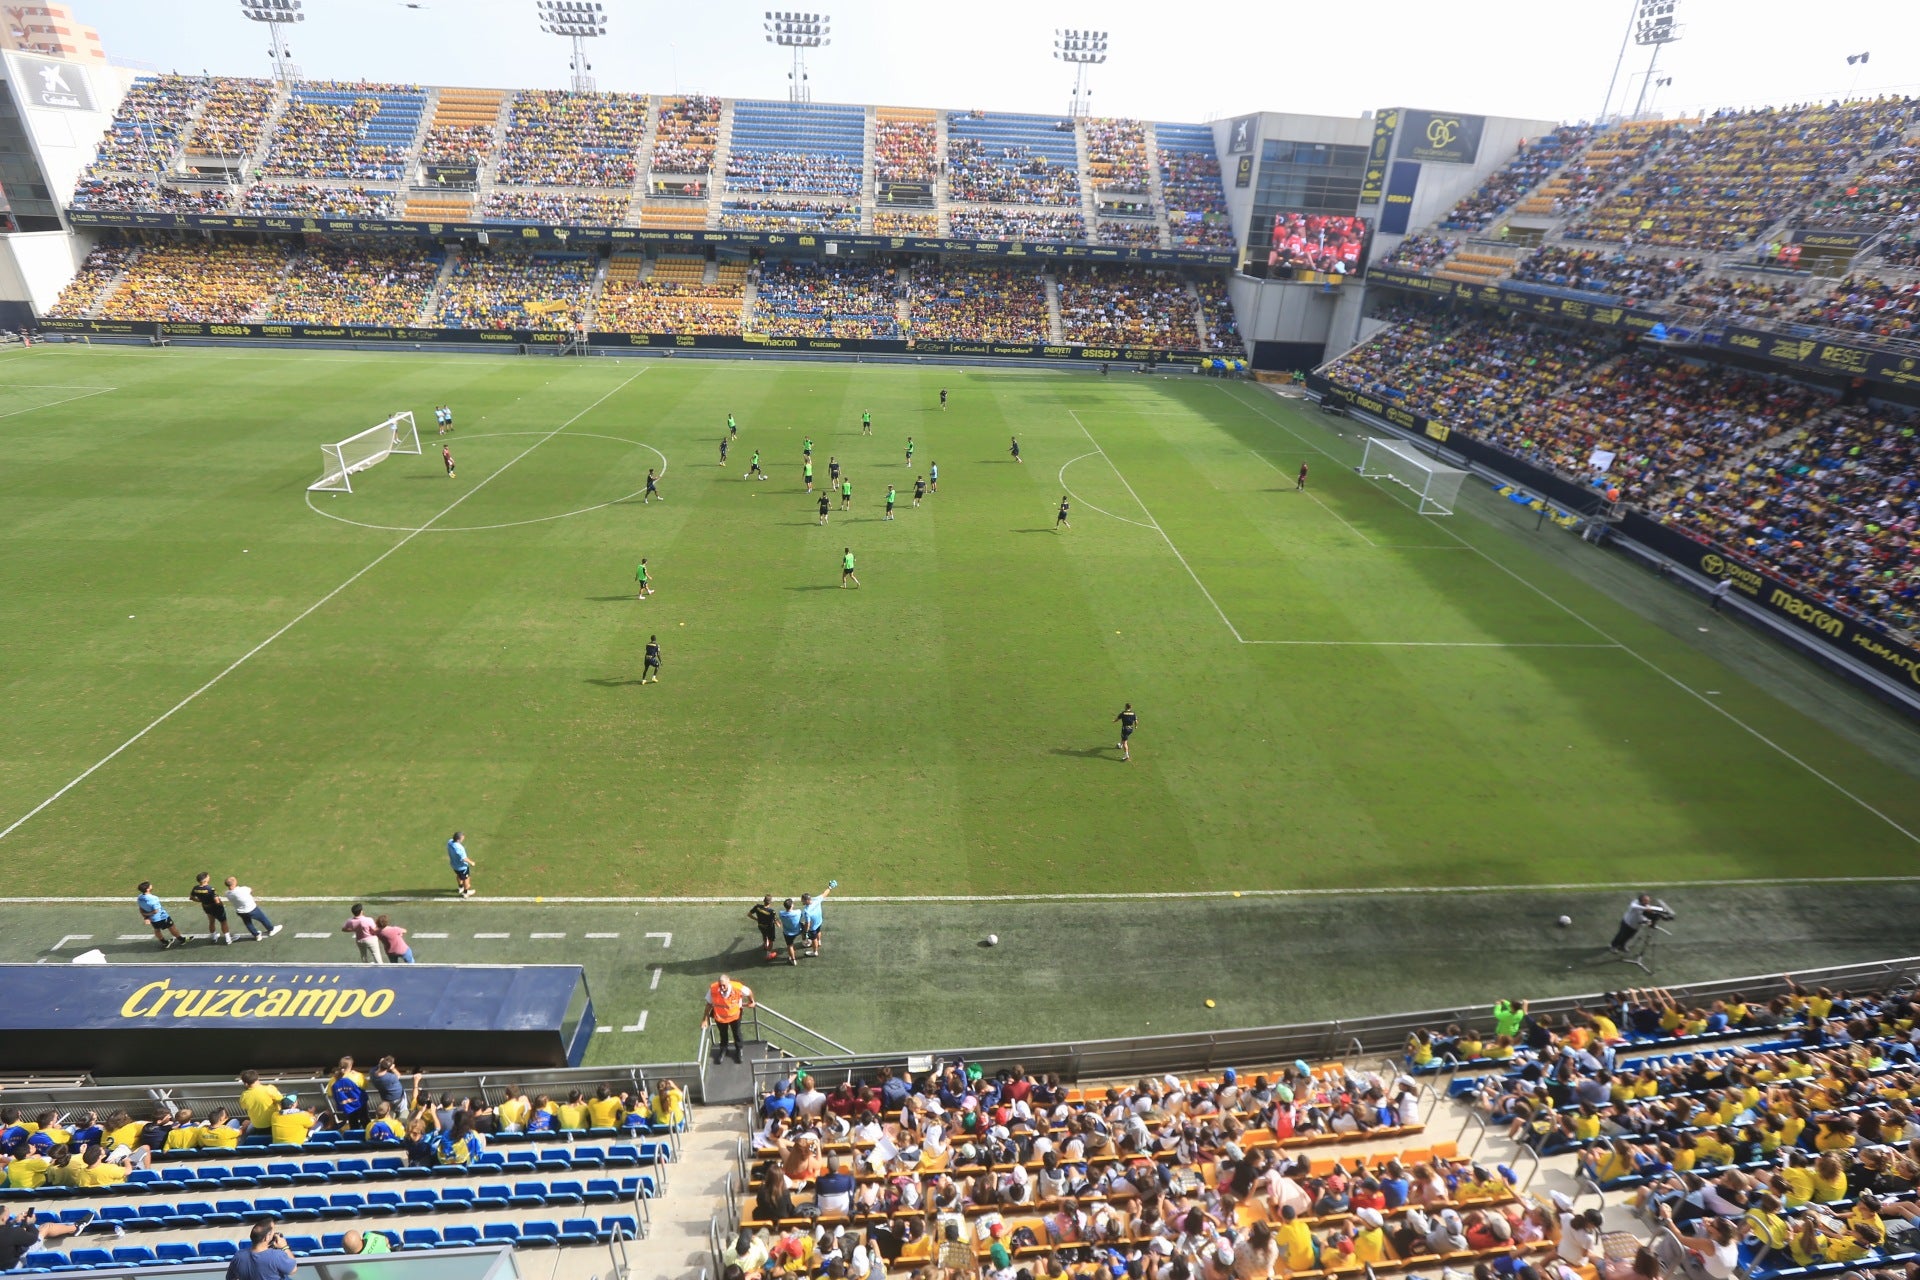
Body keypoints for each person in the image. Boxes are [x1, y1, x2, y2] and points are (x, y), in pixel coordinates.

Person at [0, 1208, 89, 1270]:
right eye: (7, 1217)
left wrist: (14, 1221)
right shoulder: (13, 1232)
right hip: (15, 1265)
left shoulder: (11, 1231)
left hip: (4, 1264)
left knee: (23, 1230)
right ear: (3, 1218)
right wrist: (30, 1223)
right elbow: (33, 1238)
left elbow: (6, 1231)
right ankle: (76, 1227)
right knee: (46, 1227)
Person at [704, 974, 754, 1064]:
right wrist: (705, 1019)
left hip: (735, 1016)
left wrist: (751, 1001)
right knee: (723, 1034)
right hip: (720, 1017)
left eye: (724, 985)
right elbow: (708, 1004)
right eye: (720, 985)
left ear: (729, 982)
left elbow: (749, 992)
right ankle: (724, 1049)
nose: (722, 987)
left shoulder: (737, 988)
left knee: (737, 1033)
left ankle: (739, 1050)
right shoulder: (713, 989)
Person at [225, 1220, 297, 1280]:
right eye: (273, 1233)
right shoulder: (276, 1256)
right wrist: (285, 1247)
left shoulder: (238, 1256)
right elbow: (293, 1269)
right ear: (267, 1237)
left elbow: (230, 1278)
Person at [135, 880, 186, 949]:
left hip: (153, 919)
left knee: (157, 930)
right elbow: (156, 911)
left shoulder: (140, 897)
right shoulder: (154, 898)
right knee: (172, 927)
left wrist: (146, 917)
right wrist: (148, 914)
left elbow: (141, 908)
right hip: (162, 917)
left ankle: (165, 942)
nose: (151, 885)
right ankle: (182, 940)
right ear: (148, 889)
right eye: (150, 885)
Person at [189, 871, 234, 945]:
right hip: (216, 908)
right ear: (205, 880)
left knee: (211, 921)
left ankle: (213, 937)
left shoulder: (195, 888)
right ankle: (228, 939)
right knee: (223, 922)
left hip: (206, 907)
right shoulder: (210, 889)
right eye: (208, 876)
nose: (209, 877)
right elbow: (216, 901)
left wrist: (201, 900)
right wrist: (221, 905)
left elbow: (191, 898)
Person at [801, 881, 835, 957]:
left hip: (812, 926)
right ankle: (819, 941)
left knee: (813, 939)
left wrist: (806, 932)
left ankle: (815, 952)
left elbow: (808, 923)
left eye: (802, 900)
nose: (801, 901)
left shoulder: (806, 911)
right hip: (819, 921)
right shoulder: (816, 900)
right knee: (818, 931)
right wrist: (830, 887)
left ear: (806, 900)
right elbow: (824, 894)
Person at [748, 894, 780, 961]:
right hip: (770, 928)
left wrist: (756, 919)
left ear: (763, 900)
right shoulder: (771, 911)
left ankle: (765, 945)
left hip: (761, 926)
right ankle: (768, 955)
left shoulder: (757, 907)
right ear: (770, 902)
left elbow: (749, 914)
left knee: (764, 935)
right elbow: (778, 924)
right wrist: (778, 923)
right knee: (771, 941)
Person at [776, 897, 806, 965]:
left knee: (790, 946)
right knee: (803, 925)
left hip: (788, 933)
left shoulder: (781, 913)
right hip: (798, 930)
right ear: (792, 905)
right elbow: (801, 917)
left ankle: (793, 960)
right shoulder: (798, 912)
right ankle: (805, 940)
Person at [447, 831, 476, 898]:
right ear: (458, 839)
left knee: (458, 875)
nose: (463, 839)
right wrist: (471, 862)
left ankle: (460, 888)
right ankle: (466, 892)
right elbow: (464, 858)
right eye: (462, 838)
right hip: (462, 867)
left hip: (454, 865)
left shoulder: (450, 842)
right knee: (466, 879)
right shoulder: (459, 848)